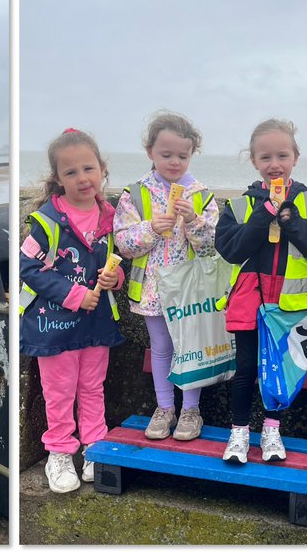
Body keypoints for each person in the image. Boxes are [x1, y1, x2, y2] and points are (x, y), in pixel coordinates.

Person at [214, 119, 307, 464]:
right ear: (254, 161)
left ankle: (271, 429)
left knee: (280, 370)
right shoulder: (239, 206)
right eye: (265, 157)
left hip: (290, 304)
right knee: (245, 369)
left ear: (296, 157)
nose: (274, 164)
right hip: (249, 300)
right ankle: (238, 432)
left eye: (282, 155)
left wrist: (291, 220)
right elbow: (232, 250)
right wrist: (263, 214)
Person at [19, 129, 125, 493]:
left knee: (93, 387)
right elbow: (28, 267)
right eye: (71, 172)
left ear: (102, 169)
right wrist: (73, 295)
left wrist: (115, 277)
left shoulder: (109, 216)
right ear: (58, 179)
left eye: (88, 168)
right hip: (54, 324)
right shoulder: (46, 221)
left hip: (96, 323)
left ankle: (95, 445)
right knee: (60, 391)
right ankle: (60, 452)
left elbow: (115, 261)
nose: (82, 178)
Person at [113, 111, 218, 442]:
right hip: (153, 287)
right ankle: (164, 407)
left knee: (191, 347)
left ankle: (191, 410)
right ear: (150, 152)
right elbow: (123, 243)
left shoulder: (201, 195)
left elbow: (212, 245)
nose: (175, 162)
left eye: (182, 156)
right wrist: (150, 228)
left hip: (190, 288)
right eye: (166, 154)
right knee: (161, 347)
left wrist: (194, 221)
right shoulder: (135, 193)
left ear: (191, 155)